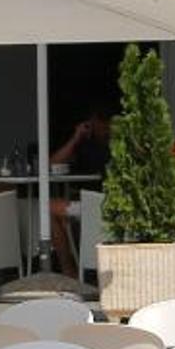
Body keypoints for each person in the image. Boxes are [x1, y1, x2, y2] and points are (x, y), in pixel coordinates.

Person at [43, 109, 113, 273]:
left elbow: (49, 166)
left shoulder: (114, 145)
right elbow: (51, 165)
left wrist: (76, 138)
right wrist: (77, 138)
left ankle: (69, 271)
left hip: (99, 206)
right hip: (95, 204)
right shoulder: (88, 146)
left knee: (48, 208)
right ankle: (74, 269)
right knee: (55, 212)